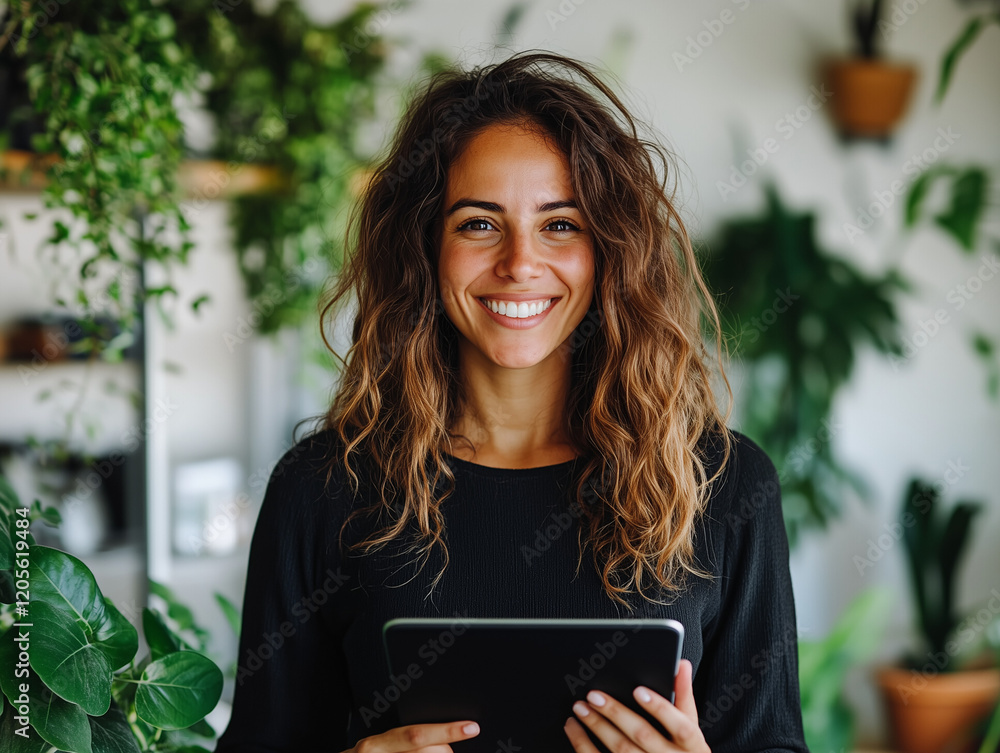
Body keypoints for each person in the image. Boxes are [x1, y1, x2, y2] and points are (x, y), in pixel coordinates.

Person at [215, 50, 808, 753]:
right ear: (424, 248)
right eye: (478, 223)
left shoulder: (725, 484)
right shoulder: (320, 489)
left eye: (560, 224)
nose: (520, 262)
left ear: (608, 249)